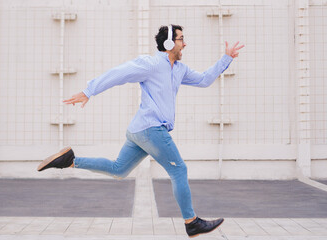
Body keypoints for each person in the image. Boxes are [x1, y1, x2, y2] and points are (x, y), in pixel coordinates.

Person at [37, 24, 244, 238]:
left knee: (118, 170)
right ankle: (191, 222)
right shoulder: (151, 64)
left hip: (139, 131)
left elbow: (203, 80)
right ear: (169, 43)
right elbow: (119, 73)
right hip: (151, 129)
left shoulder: (180, 69)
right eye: (181, 39)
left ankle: (69, 160)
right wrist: (89, 90)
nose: (185, 43)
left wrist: (226, 58)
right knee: (179, 170)